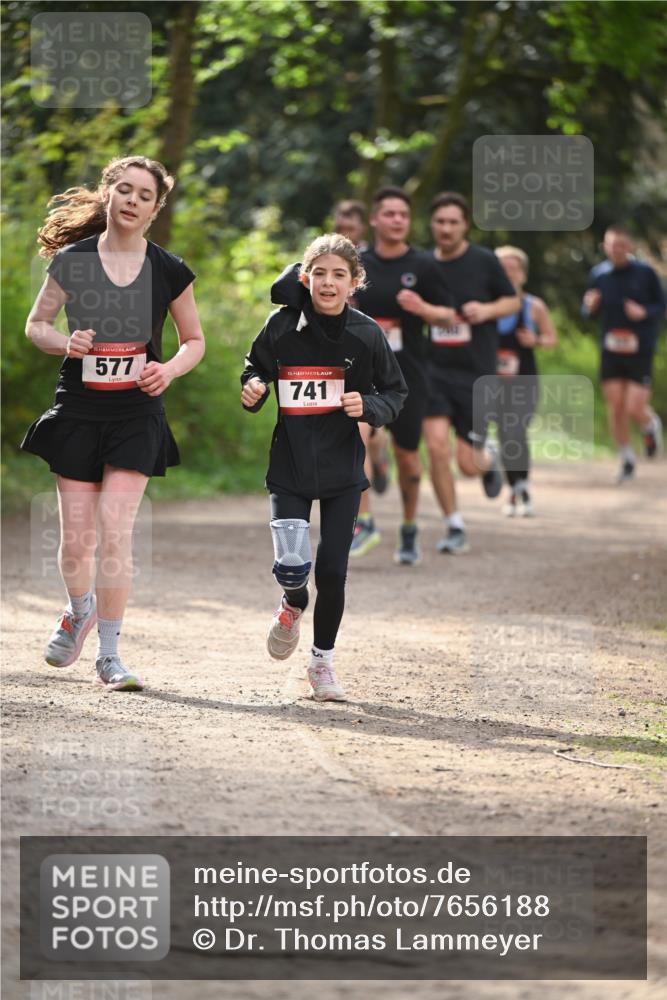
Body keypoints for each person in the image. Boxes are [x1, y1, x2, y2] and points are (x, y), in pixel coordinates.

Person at [21, 155, 205, 691]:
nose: (131, 201)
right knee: (78, 541)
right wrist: (66, 343)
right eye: (123, 190)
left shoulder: (169, 269)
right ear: (107, 194)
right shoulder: (74, 262)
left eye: (143, 195)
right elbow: (38, 325)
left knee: (114, 531)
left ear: (155, 208)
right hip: (79, 407)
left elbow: (194, 341)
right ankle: (78, 611)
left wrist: (166, 370)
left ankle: (110, 654)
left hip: (135, 412)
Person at [240, 234, 407, 701]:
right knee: (294, 568)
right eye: (320, 273)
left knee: (333, 570)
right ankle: (293, 603)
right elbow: (255, 367)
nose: (328, 283)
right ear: (304, 277)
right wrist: (253, 387)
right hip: (290, 465)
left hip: (341, 473)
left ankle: (322, 663)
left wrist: (367, 404)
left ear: (355, 282)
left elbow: (396, 394)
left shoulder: (367, 334)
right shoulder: (281, 325)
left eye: (339, 275)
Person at [349, 186, 454, 564]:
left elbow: (449, 316)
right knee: (353, 438)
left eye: (403, 215)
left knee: (408, 457)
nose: (397, 220)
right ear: (375, 219)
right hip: (362, 369)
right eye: (389, 214)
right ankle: (364, 521)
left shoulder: (424, 266)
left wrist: (423, 307)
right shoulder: (357, 261)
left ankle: (409, 527)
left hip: (408, 371)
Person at [413, 192, 519, 554]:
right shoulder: (424, 265)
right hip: (433, 369)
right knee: (436, 447)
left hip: (476, 373)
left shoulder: (485, 261)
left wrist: (487, 310)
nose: (445, 228)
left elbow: (513, 301)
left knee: (468, 464)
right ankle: (454, 524)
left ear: (465, 225)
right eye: (440, 221)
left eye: (453, 222)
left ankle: (488, 459)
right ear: (432, 224)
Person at [582, 224, 665, 483]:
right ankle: (627, 458)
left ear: (629, 247)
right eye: (610, 245)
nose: (615, 250)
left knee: (633, 407)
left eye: (620, 245)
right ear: (604, 247)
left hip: (640, 348)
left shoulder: (646, 273)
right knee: (615, 406)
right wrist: (590, 307)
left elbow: (662, 306)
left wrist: (644, 313)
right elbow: (587, 312)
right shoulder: (599, 274)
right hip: (611, 348)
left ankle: (649, 425)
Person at [494, 246, 558, 517]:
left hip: (524, 381)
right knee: (504, 434)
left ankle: (522, 484)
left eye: (513, 269)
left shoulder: (534, 306)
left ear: (523, 274)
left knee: (516, 430)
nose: (508, 274)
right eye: (502, 268)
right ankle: (515, 488)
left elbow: (551, 339)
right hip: (493, 382)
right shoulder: (489, 305)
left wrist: (536, 340)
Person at [333, 198, 390, 500]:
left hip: (369, 352)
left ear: (362, 228)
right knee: (358, 432)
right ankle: (360, 516)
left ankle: (379, 458)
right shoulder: (326, 260)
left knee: (370, 432)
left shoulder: (371, 260)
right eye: (340, 227)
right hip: (336, 355)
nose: (345, 233)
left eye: (350, 228)